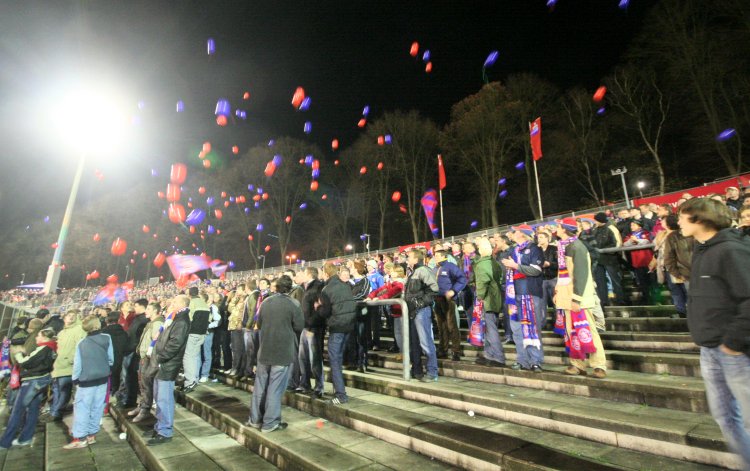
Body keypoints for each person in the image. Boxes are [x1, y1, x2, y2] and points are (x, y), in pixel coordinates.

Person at [676, 198, 750, 469]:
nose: (679, 223)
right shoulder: (703, 250)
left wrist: (733, 342)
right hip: (710, 349)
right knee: (726, 419)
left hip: (735, 351)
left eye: (683, 217)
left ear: (699, 218)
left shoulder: (731, 250)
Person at [247, 275, 304, 433]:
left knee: (260, 385)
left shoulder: (266, 302)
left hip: (265, 349)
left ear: (276, 287)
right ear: (290, 288)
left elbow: (260, 322)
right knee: (275, 387)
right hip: (282, 350)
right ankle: (270, 422)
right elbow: (299, 326)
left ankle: (255, 419)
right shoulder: (293, 304)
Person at [553, 218, 607, 379]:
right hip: (566, 295)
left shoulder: (577, 247)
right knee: (571, 332)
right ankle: (577, 364)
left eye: (558, 226)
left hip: (578, 297)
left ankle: (599, 365)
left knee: (588, 330)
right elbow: (563, 273)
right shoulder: (564, 247)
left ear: (563, 229)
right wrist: (558, 291)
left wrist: (576, 298)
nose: (556, 229)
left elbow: (581, 274)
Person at [62, 315, 114, 449]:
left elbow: (78, 365)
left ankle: (80, 437)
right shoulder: (107, 338)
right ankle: (92, 435)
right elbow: (111, 359)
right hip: (103, 378)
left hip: (86, 381)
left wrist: (75, 379)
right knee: (97, 407)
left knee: (82, 408)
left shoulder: (82, 343)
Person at [0, 328, 57, 449]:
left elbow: (26, 362)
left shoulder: (43, 348)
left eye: (38, 336)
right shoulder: (52, 348)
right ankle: (26, 438)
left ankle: (5, 442)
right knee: (33, 410)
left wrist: (18, 353)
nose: (36, 338)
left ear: (44, 338)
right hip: (41, 380)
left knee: (17, 411)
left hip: (32, 381)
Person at [146, 295, 191, 446]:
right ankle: (160, 426)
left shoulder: (182, 320)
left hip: (168, 365)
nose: (172, 304)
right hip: (164, 364)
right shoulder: (174, 318)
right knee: (160, 397)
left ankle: (165, 431)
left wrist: (160, 357)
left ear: (182, 304)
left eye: (175, 302)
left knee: (164, 399)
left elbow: (175, 343)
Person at [501, 227, 545, 372]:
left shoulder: (534, 249)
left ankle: (535, 360)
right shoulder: (513, 250)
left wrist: (515, 266)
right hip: (513, 294)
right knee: (517, 329)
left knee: (531, 327)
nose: (511, 233)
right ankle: (522, 360)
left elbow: (536, 270)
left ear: (522, 234)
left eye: (515, 231)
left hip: (529, 292)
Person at [317, 262, 357, 405]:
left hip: (337, 327)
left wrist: (318, 307)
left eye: (322, 272)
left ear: (327, 274)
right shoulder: (345, 285)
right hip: (348, 326)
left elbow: (325, 312)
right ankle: (338, 392)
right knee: (338, 359)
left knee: (335, 361)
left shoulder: (326, 290)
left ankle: (340, 395)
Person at [404, 249, 440, 382]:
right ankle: (417, 370)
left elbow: (434, 289)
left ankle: (432, 372)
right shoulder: (413, 272)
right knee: (414, 343)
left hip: (421, 311)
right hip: (413, 312)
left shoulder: (423, 270)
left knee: (425, 342)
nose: (407, 259)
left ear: (416, 259)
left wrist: (420, 303)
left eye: (409, 257)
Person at [48, 310, 85, 422]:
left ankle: (56, 412)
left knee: (64, 390)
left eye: (74, 315)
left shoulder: (79, 330)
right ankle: (54, 411)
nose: (71, 317)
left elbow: (81, 347)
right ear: (64, 318)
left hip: (69, 366)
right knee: (57, 390)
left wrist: (72, 360)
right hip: (58, 366)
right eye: (69, 315)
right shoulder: (61, 333)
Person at [129, 302, 164, 423]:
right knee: (142, 384)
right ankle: (142, 405)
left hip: (148, 358)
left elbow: (156, 342)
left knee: (146, 384)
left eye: (148, 309)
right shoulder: (151, 323)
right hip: (144, 356)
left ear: (155, 311)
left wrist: (149, 357)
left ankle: (145, 408)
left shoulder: (157, 323)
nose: (146, 311)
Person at [432, 249, 467, 361]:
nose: (435, 257)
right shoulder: (435, 268)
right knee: (441, 326)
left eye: (437, 255)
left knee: (451, 325)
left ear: (444, 256)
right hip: (437, 299)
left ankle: (456, 351)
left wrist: (453, 291)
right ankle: (443, 349)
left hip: (448, 300)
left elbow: (462, 278)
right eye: (435, 255)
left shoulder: (450, 266)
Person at [296, 267, 325, 397]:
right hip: (305, 327)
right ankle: (305, 384)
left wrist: (312, 321)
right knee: (303, 358)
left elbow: (320, 307)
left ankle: (319, 387)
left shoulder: (318, 286)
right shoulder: (306, 287)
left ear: (308, 274)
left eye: (301, 273)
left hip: (313, 327)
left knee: (315, 358)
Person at [117, 298, 148, 408]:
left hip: (133, 351)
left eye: (135, 306)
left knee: (130, 376)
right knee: (128, 376)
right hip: (129, 349)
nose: (133, 308)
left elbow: (138, 338)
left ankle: (129, 399)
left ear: (141, 306)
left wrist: (133, 348)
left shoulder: (143, 320)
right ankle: (128, 398)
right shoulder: (137, 318)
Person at [660, 215, 692, 318]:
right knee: (677, 291)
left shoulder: (695, 234)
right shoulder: (671, 236)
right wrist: (677, 273)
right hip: (681, 272)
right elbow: (668, 257)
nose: (679, 222)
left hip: (696, 273)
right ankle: (681, 311)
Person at [592, 212, 625, 306]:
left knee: (615, 280)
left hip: (610, 259)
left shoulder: (611, 228)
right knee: (600, 281)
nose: (594, 221)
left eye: (596, 220)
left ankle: (620, 300)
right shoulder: (595, 230)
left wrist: (605, 250)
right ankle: (604, 301)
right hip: (599, 260)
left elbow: (617, 243)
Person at [181, 287, 210, 392]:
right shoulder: (204, 303)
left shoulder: (191, 303)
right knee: (195, 357)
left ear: (189, 294)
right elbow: (209, 319)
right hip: (202, 334)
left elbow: (189, 318)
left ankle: (190, 382)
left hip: (192, 333)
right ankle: (195, 379)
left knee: (188, 358)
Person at [624, 220, 654, 304]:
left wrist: (637, 241)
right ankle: (646, 298)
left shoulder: (645, 233)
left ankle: (654, 298)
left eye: (633, 225)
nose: (631, 227)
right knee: (642, 282)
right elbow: (625, 244)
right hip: (636, 262)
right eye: (631, 225)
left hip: (647, 261)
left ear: (639, 226)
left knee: (651, 281)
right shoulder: (630, 235)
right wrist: (631, 241)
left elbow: (647, 241)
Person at [103, 311, 130, 396]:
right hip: (120, 359)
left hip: (106, 360)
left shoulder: (103, 333)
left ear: (107, 321)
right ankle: (114, 394)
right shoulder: (124, 333)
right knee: (117, 378)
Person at [199, 293, 222, 383]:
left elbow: (217, 321)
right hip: (199, 332)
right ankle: (199, 372)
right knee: (199, 353)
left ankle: (205, 374)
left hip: (208, 332)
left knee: (206, 352)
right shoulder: (200, 307)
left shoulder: (213, 308)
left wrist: (208, 326)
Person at [226, 288, 246, 377]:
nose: (237, 292)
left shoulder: (246, 300)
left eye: (239, 290)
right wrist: (234, 299)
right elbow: (230, 309)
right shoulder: (237, 300)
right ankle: (234, 367)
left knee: (238, 349)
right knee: (234, 348)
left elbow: (242, 314)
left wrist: (240, 322)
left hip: (239, 327)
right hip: (233, 326)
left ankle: (238, 369)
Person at [537, 231, 558, 309]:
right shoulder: (536, 250)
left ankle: (558, 320)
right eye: (538, 238)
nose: (539, 239)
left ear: (547, 238)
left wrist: (549, 264)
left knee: (556, 302)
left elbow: (559, 264)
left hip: (553, 279)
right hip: (541, 280)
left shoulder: (554, 248)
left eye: (541, 237)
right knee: (542, 304)